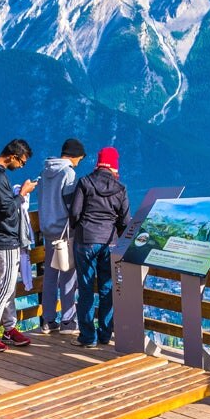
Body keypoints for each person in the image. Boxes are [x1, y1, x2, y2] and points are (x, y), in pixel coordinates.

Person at [0, 139, 36, 352]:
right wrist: (23, 194)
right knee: (6, 287)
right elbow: (7, 211)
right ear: (12, 156)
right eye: (21, 161)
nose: (21, 166)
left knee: (7, 284)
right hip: (5, 240)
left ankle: (9, 328)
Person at [69, 146, 129, 347]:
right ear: (115, 165)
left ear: (98, 162)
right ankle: (105, 334)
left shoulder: (85, 182)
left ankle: (87, 337)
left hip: (85, 240)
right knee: (107, 288)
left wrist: (79, 229)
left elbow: (75, 213)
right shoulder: (120, 189)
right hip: (109, 242)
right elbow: (125, 220)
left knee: (85, 289)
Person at [36, 138, 86, 333]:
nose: (79, 162)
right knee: (68, 275)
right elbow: (72, 206)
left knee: (50, 275)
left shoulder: (45, 171)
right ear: (74, 156)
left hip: (48, 230)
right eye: (80, 158)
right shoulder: (68, 173)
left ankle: (48, 320)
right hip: (65, 232)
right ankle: (68, 321)